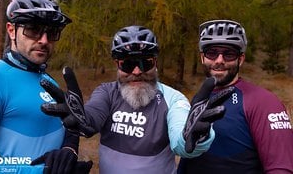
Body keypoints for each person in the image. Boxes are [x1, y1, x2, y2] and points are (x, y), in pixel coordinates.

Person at [38, 25, 235, 173]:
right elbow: (90, 119)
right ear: (117, 64)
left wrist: (196, 137)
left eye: (145, 62)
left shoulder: (174, 99)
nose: (137, 71)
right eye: (128, 64)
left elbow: (182, 142)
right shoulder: (107, 92)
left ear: (155, 63)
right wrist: (81, 121)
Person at [0, 0, 92, 173]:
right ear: (11, 30)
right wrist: (41, 172)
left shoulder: (48, 81)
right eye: (33, 29)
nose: (43, 40)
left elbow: (63, 135)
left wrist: (70, 147)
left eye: (51, 32)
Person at [177, 19, 293, 174]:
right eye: (212, 53)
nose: (219, 60)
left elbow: (281, 168)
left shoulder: (264, 102)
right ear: (202, 57)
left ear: (241, 59)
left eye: (229, 54)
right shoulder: (200, 98)